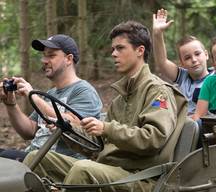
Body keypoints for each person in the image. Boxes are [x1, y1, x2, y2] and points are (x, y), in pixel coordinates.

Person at [23, 21, 188, 191]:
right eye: (113, 49)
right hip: (112, 168)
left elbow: (153, 138)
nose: (114, 54)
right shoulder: (121, 98)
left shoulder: (157, 91)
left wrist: (107, 128)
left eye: (120, 48)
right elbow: (98, 146)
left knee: (84, 170)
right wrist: (67, 128)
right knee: (35, 158)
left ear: (140, 50)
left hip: (142, 175)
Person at [0, 34, 102, 162]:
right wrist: (11, 105)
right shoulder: (50, 93)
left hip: (60, 165)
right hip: (33, 157)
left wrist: (33, 95)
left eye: (51, 55)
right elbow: (29, 131)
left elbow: (70, 124)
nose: (44, 60)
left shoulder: (84, 91)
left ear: (69, 59)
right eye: (44, 55)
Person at [153, 8, 212, 115]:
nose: (194, 60)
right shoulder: (183, 77)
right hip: (179, 122)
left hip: (203, 125)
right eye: (187, 58)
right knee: (155, 103)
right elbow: (162, 62)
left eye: (197, 54)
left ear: (206, 55)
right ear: (181, 63)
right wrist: (157, 34)